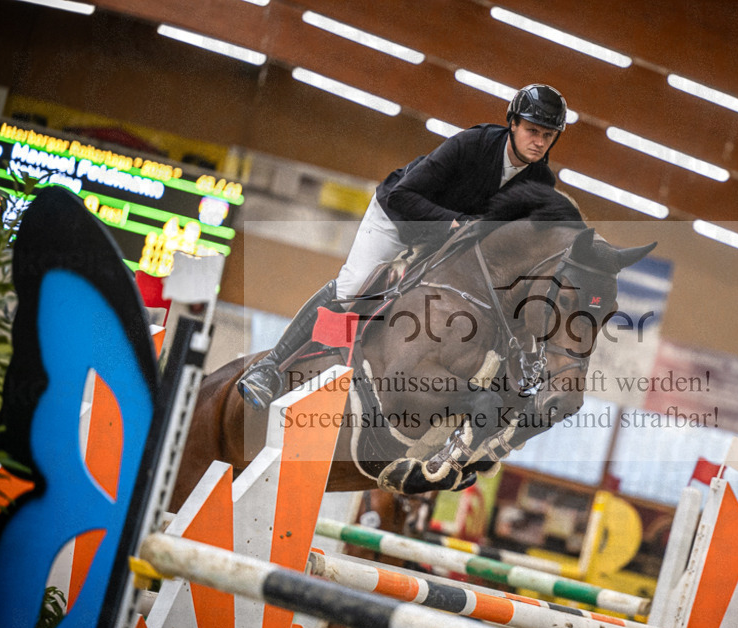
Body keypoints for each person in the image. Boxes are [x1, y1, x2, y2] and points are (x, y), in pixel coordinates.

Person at [237, 83, 569, 410]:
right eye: (532, 131)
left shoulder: (540, 183)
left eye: (548, 136)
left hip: (452, 245)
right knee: (353, 288)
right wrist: (453, 224)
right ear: (512, 122)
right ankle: (270, 367)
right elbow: (403, 196)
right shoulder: (473, 144)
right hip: (398, 219)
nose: (539, 142)